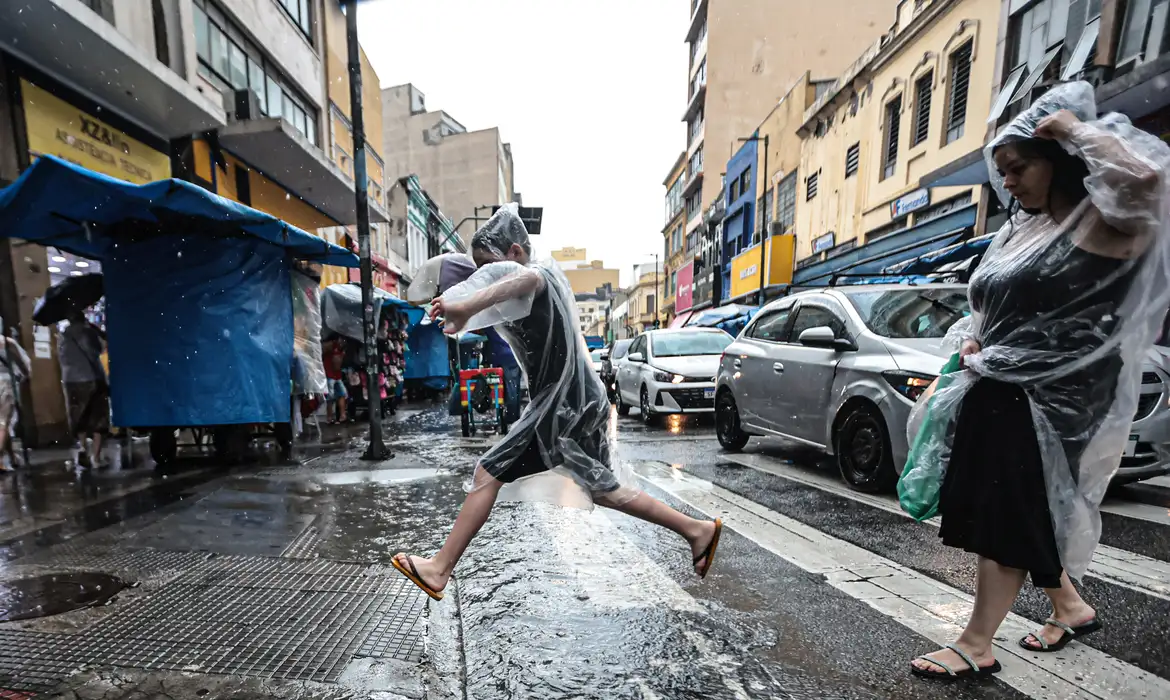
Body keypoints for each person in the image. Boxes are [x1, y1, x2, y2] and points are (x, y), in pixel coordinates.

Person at [907, 83, 1170, 680]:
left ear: (1058, 160)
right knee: (1017, 507)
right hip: (999, 386)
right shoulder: (1023, 229)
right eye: (1001, 173)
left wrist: (1075, 128)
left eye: (1019, 166)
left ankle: (976, 644)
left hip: (1054, 397)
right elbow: (991, 304)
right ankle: (1070, 606)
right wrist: (975, 341)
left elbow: (1149, 183)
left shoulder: (1104, 220)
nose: (1010, 182)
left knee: (1008, 511)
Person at [392, 205, 722, 600]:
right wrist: (463, 305)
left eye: (491, 267)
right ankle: (696, 530)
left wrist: (466, 305)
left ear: (514, 251)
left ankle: (439, 568)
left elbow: (524, 280)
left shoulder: (539, 274)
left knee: (487, 472)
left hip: (562, 405)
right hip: (575, 402)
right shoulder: (518, 290)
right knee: (603, 488)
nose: (486, 277)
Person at [58, 309, 110, 469]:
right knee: (99, 417)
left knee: (79, 416)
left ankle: (81, 448)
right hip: (91, 378)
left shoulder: (62, 336)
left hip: (69, 380)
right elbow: (96, 351)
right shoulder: (86, 333)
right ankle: (96, 457)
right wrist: (96, 331)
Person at [0, 324, 30, 471]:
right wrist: (26, 374)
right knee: (4, 422)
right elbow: (21, 363)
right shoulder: (7, 343)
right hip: (6, 383)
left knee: (3, 424)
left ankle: (12, 457)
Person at [324, 337, 347, 423]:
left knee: (341, 394)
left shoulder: (341, 348)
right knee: (331, 397)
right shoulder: (332, 345)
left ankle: (341, 415)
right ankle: (330, 417)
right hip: (330, 375)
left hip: (336, 376)